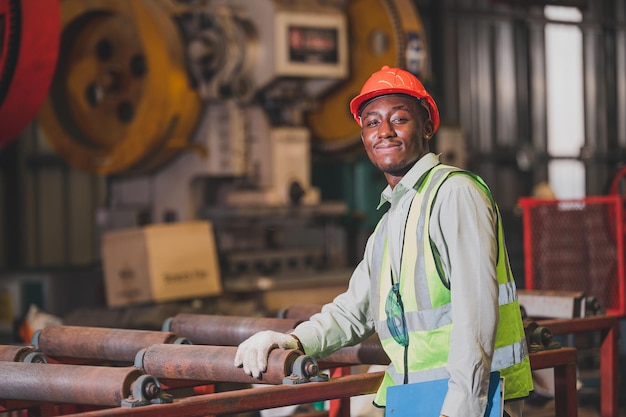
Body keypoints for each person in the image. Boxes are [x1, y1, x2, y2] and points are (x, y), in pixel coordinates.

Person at [234, 66, 534, 417]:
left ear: (427, 128)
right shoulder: (391, 222)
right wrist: (293, 340)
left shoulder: (454, 193)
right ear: (363, 139)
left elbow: (476, 311)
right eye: (372, 123)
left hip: (474, 398)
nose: (385, 132)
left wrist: (463, 404)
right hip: (416, 399)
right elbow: (353, 311)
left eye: (399, 119)